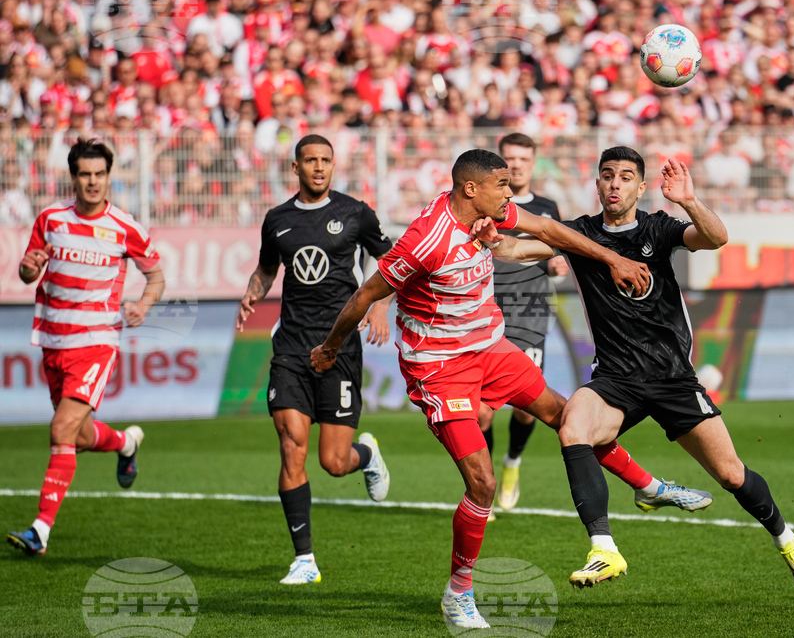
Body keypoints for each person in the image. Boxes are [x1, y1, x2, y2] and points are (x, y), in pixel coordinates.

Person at [310, 149, 711, 629]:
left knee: (571, 418)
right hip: (440, 368)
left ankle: (648, 488)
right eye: (502, 184)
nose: (511, 191)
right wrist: (330, 349)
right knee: (482, 482)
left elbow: (548, 230)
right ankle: (458, 593)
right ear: (470, 189)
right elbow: (365, 296)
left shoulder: (491, 210)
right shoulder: (425, 243)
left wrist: (610, 258)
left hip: (491, 348)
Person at [473, 149, 794, 594]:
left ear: (641, 187)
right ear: (597, 185)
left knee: (732, 475)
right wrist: (489, 237)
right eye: (607, 176)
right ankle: (604, 549)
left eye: (625, 177)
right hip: (616, 379)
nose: (614, 184)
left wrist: (690, 201)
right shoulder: (579, 234)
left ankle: (786, 540)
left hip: (672, 377)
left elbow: (715, 238)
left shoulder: (658, 227)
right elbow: (516, 248)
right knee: (573, 427)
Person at [236, 135, 393, 585]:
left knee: (333, 461)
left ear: (333, 165)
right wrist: (252, 292)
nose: (319, 167)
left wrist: (380, 306)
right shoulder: (278, 220)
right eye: (311, 160)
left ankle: (367, 455)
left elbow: (389, 260)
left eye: (326, 160)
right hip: (290, 349)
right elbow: (268, 268)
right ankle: (304, 560)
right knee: (291, 446)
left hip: (339, 348)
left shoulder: (355, 212)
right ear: (296, 166)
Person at [7, 139, 164, 556]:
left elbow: (156, 276)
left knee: (59, 429)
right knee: (73, 436)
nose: (92, 182)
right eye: (85, 174)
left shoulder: (125, 226)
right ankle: (125, 444)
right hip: (52, 339)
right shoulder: (51, 218)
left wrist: (143, 307)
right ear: (73, 177)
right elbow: (27, 270)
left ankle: (40, 530)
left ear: (109, 177)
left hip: (96, 341)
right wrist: (27, 268)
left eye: (99, 174)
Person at [480, 133, 569, 515]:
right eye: (510, 159)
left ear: (533, 164)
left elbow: (558, 252)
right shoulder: (484, 203)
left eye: (523, 159)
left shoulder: (547, 208)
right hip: (484, 315)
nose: (516, 165)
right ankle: (483, 478)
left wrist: (557, 264)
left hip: (529, 314)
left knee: (525, 406)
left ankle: (512, 462)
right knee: (482, 412)